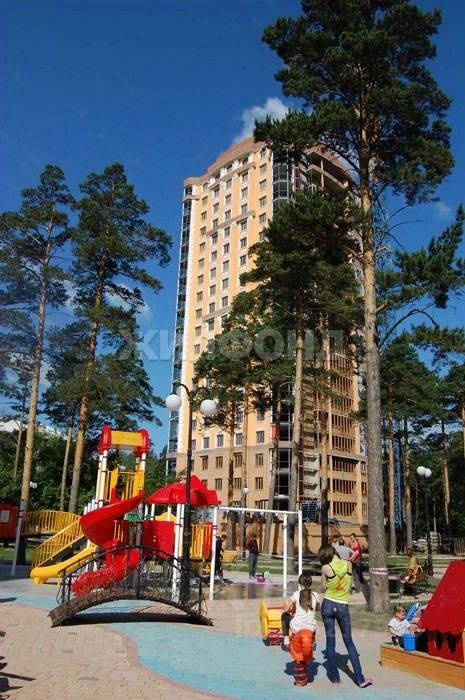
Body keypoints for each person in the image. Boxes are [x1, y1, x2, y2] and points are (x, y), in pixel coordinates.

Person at [319, 543, 373, 688]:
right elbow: (348, 585)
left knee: (330, 642)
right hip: (342, 606)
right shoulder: (348, 564)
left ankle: (335, 679)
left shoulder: (325, 568)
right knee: (349, 642)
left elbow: (324, 586)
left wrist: (332, 582)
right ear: (334, 551)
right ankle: (360, 679)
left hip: (328, 604)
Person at [281, 572, 319, 650]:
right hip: (310, 629)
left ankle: (286, 640)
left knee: (284, 616)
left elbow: (286, 609)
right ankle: (313, 641)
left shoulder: (296, 594)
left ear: (300, 583)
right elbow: (318, 609)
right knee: (312, 621)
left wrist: (289, 611)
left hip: (297, 628)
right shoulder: (315, 595)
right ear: (310, 583)